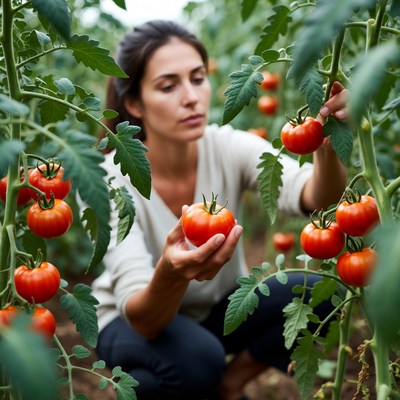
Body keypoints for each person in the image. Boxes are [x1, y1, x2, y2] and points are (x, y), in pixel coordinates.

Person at [93, 20, 348, 400]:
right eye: (168, 85)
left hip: (215, 312)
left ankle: (226, 388)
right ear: (133, 103)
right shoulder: (109, 178)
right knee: (175, 371)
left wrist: (326, 144)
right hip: (132, 320)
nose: (192, 96)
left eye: (198, 78)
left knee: (322, 290)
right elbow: (143, 319)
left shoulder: (228, 147)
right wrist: (171, 272)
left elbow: (316, 198)